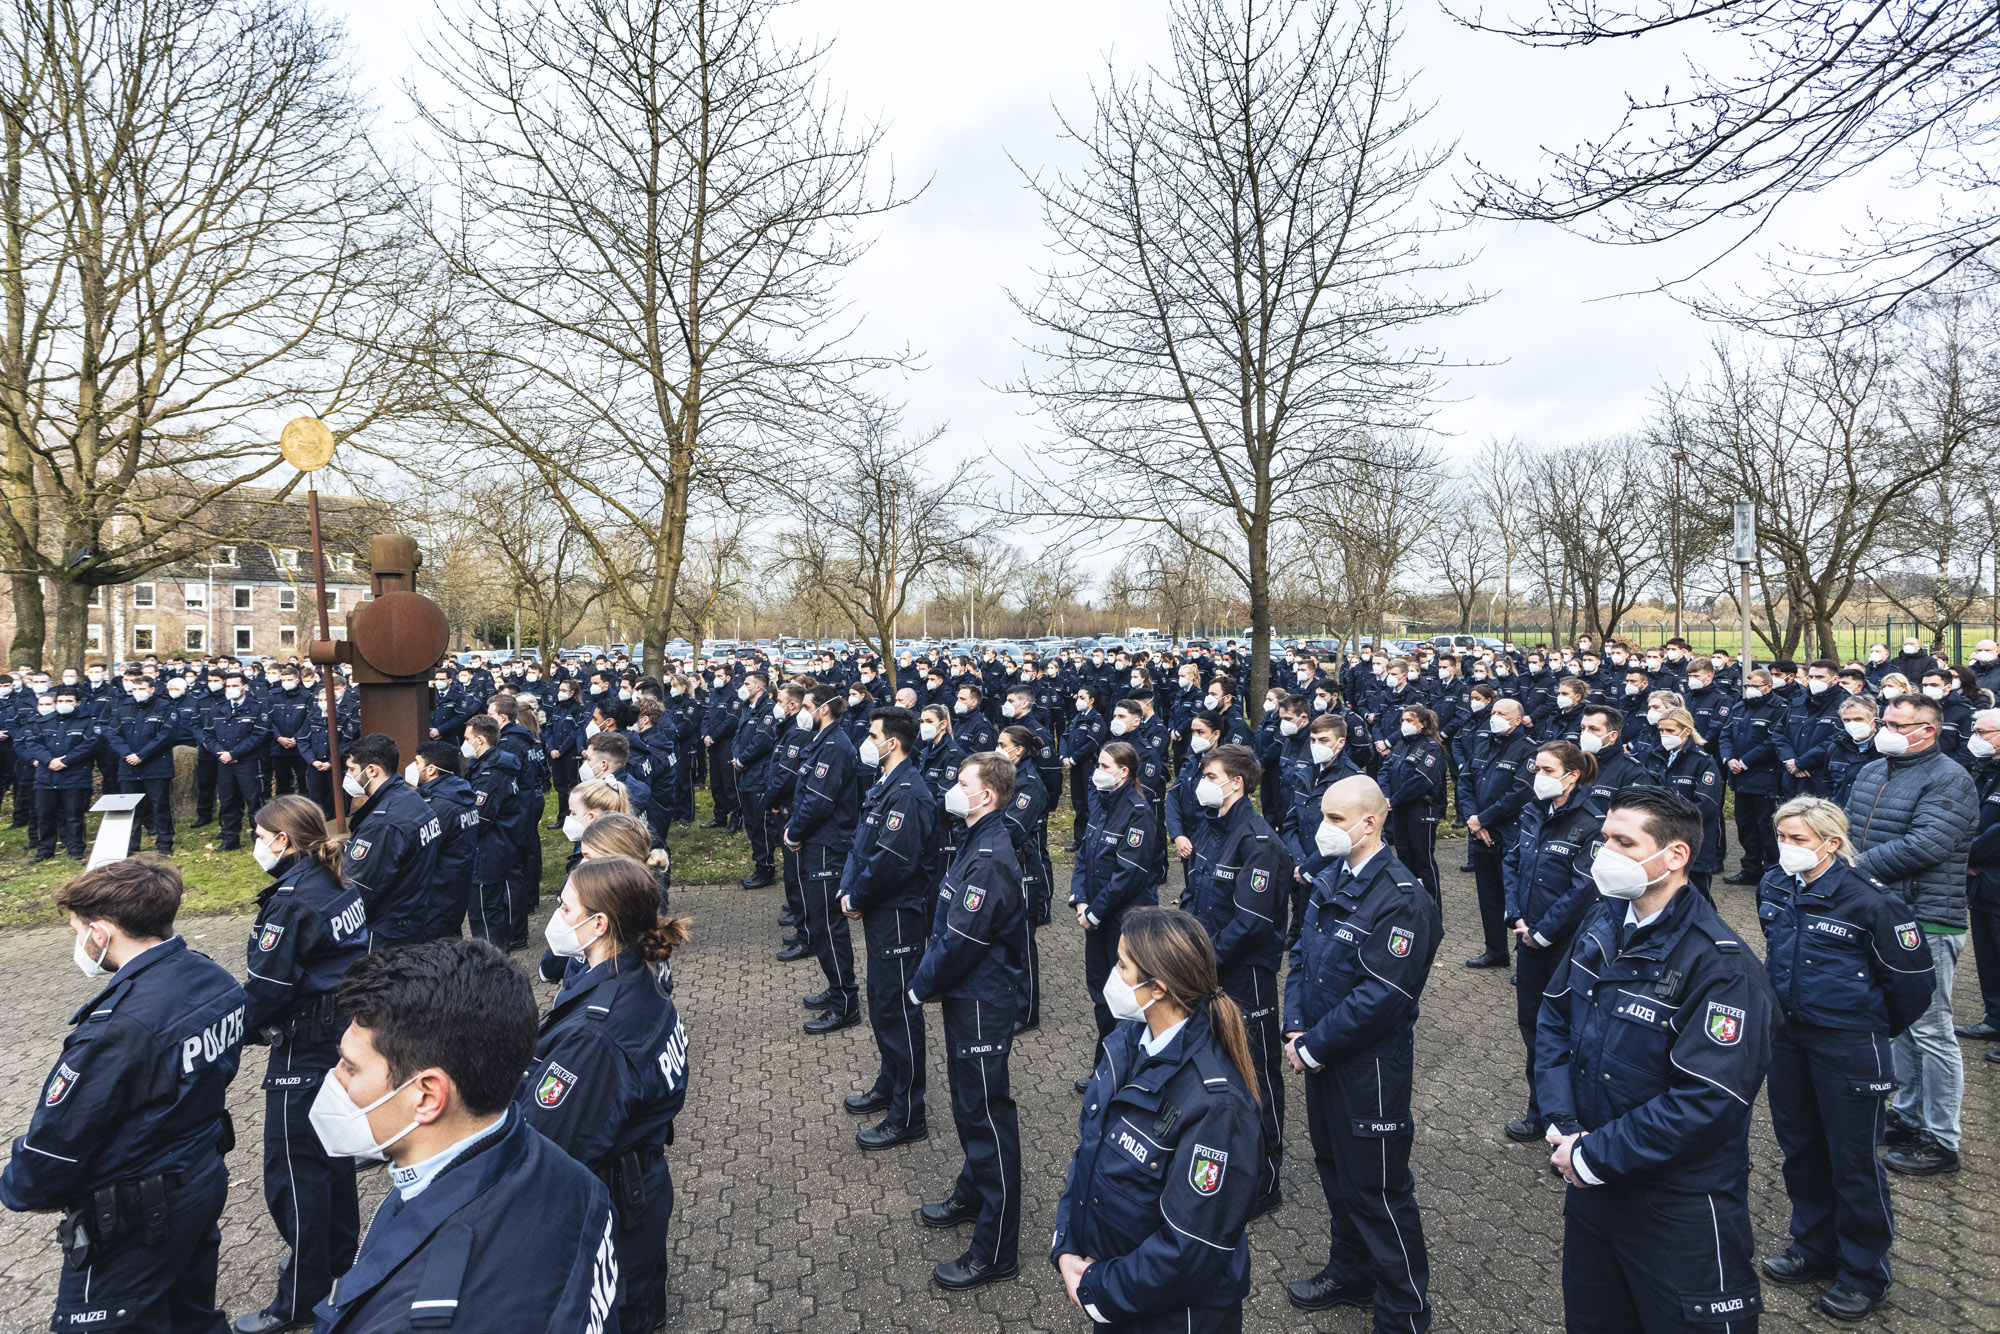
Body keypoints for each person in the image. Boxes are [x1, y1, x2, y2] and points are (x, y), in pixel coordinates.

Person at [1536, 787, 1773, 1334]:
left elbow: (1707, 1101)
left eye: (1624, 842)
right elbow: (1554, 1021)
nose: (1606, 855)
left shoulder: (1721, 967)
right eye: (1604, 840)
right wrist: (1566, 1126)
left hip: (1678, 1204)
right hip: (1592, 1182)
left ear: (1675, 856)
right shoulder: (1603, 922)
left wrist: (1593, 1153)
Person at [308, 939, 619, 1332]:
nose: (334, 1078)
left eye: (350, 1068)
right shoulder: (571, 1176)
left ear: (427, 1096)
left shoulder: (422, 1318)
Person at [1, 856, 248, 1334]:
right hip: (199, 1176)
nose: (79, 943)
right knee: (190, 1315)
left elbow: (60, 1138)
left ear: (100, 933)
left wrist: (25, 1187)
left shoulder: (117, 1030)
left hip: (136, 1217)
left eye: (77, 931)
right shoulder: (211, 977)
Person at [1756, 797, 1935, 1322]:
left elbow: (1911, 986)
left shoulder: (1875, 904)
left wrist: (1865, 1028)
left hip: (1850, 1046)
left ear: (1832, 844)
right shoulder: (1776, 886)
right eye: (1782, 837)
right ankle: (1813, 1247)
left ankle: (1862, 1272)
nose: (1786, 849)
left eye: (1799, 840)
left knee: (1852, 1161)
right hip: (1790, 1039)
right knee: (1801, 1148)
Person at [1053, 908, 1264, 1333]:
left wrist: (1097, 1287)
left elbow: (1190, 1250)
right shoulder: (1128, 1043)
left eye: (1122, 965)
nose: (1113, 975)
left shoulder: (1216, 1106)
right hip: (1121, 1292)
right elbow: (1088, 1152)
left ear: (1158, 988)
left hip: (1174, 1316)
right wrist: (1067, 1246)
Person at [1281, 775, 1438, 1329]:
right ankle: (1352, 1272)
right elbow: (1300, 952)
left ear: (1370, 822)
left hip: (1368, 1069)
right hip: (1320, 1055)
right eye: (1323, 817)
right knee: (1334, 1173)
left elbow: (1384, 997)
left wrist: (1315, 1046)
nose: (1323, 830)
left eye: (1336, 820)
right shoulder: (1332, 877)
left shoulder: (1402, 899)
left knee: (1378, 1191)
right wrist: (1296, 1028)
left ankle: (1403, 1309)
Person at [523, 857, 691, 1334]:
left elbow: (548, 1142)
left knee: (625, 1314)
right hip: (641, 1186)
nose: (556, 915)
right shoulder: (638, 975)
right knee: (643, 1303)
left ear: (598, 923)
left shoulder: (598, 1032)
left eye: (564, 906)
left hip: (614, 1200)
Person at [235, 798, 371, 1334]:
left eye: (258, 834)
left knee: (293, 1174)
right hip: (339, 1038)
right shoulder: (335, 879)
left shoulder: (292, 901)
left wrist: (225, 1031)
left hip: (303, 1049)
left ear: (282, 840)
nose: (255, 843)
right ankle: (340, 1267)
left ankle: (300, 1301)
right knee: (331, 1158)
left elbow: (267, 991)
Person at [1842, 693, 1977, 1175]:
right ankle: (1908, 1113)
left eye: (1899, 724)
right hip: (1882, 913)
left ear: (1928, 731)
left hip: (1928, 917)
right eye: (1886, 721)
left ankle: (1941, 1138)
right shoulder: (1873, 771)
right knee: (1897, 1019)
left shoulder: (1950, 779)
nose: (1886, 730)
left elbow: (1928, 844)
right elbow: (1853, 827)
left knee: (1932, 1028)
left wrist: (1849, 867)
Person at [909, 752, 1028, 1291]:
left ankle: (996, 1249)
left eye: (962, 784)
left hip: (982, 1001)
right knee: (968, 1105)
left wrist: (920, 983)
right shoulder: (976, 839)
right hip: (968, 996)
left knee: (985, 1117)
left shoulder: (990, 857)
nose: (952, 790)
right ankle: (972, 1192)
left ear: (987, 796)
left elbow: (962, 939)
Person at [1182, 742, 1291, 1213]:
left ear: (1236, 784)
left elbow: (1249, 924)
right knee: (1215, 1073)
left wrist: (1201, 962)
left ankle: (1265, 1182)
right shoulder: (1210, 830)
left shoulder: (1259, 842)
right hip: (1207, 970)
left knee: (1257, 1076)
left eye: (1210, 775)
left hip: (1244, 977)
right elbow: (1192, 893)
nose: (1202, 783)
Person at [837, 706, 940, 1150]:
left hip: (899, 914)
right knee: (881, 1005)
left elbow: (893, 863)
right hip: (879, 911)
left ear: (892, 742)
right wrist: (847, 887)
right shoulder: (885, 784)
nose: (868, 740)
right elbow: (862, 845)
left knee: (899, 1012)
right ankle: (888, 1084)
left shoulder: (910, 794)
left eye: (873, 734)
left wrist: (857, 896)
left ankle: (908, 1114)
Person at [1069, 740, 1162, 1089]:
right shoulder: (1102, 803)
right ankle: (1106, 1067)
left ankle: (1124, 1072)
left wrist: (1094, 912)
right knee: (1101, 994)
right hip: (1095, 915)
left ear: (1124, 772)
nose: (1098, 772)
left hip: (1123, 920)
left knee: (1126, 997)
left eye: (1105, 767)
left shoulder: (1138, 812)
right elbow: (1084, 855)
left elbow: (1129, 874)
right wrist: (1080, 900)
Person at [788, 686, 862, 1034]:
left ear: (824, 710)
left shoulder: (834, 747)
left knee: (829, 927)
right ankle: (837, 989)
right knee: (822, 925)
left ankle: (845, 1003)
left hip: (826, 845)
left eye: (807, 706)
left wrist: (794, 832)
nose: (802, 711)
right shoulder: (823, 740)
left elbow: (818, 802)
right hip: (819, 842)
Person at [339, 734, 444, 949]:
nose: (347, 776)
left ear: (371, 770)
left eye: (351, 769)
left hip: (384, 931)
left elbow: (360, 887)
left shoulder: (383, 823)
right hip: (412, 919)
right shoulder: (412, 800)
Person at [1462, 697, 1535, 968]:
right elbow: (1466, 781)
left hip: (1509, 833)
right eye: (1493, 711)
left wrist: (1483, 819)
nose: (1494, 716)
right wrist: (1473, 819)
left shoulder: (1528, 750)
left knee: (1516, 897)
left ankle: (1525, 959)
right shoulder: (1484, 744)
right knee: (1489, 896)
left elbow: (1520, 793)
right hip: (1481, 833)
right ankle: (1495, 951)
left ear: (1517, 720)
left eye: (1501, 713)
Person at [996, 725, 1054, 1030]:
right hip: (1008, 870)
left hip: (1025, 872)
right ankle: (1010, 1001)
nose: (997, 747)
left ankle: (1026, 1012)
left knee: (1021, 944)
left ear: (1018, 751)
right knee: (1006, 941)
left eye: (1002, 744)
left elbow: (1014, 830)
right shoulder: (1009, 776)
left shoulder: (1029, 784)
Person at [1645, 707, 1723, 900]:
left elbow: (1705, 806)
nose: (1664, 735)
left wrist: (1669, 820)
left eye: (1670, 731)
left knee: (1698, 897)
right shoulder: (1655, 758)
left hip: (1693, 843)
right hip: (1660, 840)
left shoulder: (1703, 762)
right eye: (1661, 730)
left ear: (1686, 731)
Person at [409, 740, 479, 940]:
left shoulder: (439, 806)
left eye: (417, 762)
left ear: (431, 769)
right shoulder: (460, 794)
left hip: (437, 894)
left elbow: (419, 851)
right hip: (455, 889)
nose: (413, 767)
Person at [1721, 669, 1785, 885]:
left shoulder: (1779, 708)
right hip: (1740, 779)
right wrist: (1728, 759)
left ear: (1768, 687)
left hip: (1764, 777)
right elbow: (1726, 734)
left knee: (1766, 828)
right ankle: (1750, 869)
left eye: (1755, 687)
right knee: (1745, 826)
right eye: (1748, 687)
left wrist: (1745, 762)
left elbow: (1773, 741)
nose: (1750, 691)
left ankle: (1772, 873)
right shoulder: (1740, 707)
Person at [1961, 708, 2000, 1058]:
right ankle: (1995, 1019)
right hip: (1985, 882)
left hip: (1992, 871)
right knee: (1989, 955)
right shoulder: (1989, 770)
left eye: (1983, 732)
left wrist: (1970, 856)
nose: (1976, 738)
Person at [204, 671, 270, 851]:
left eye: (234, 685)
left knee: (254, 801)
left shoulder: (257, 707)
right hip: (224, 763)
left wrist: (233, 753)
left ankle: (260, 840)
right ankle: (229, 839)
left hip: (248, 762)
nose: (230, 689)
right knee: (227, 802)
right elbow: (208, 735)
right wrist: (221, 753)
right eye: (228, 686)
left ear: (245, 687)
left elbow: (259, 735)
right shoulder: (218, 708)